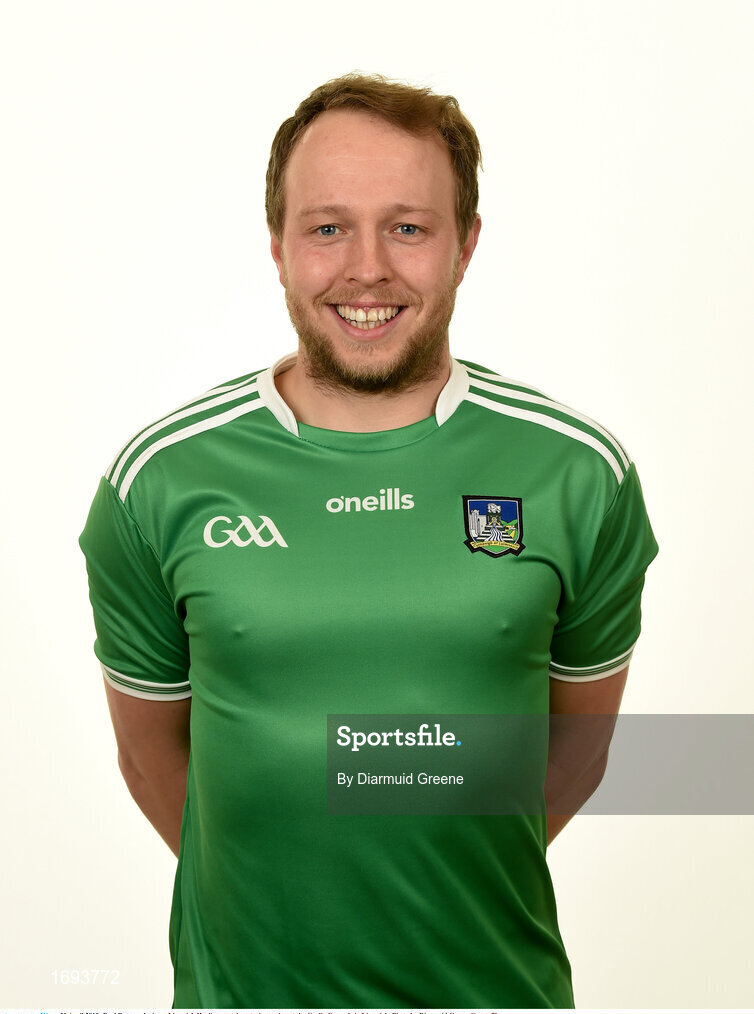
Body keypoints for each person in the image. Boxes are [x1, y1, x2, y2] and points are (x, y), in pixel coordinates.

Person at [80, 72, 658, 1008]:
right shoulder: (161, 480)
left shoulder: (577, 473)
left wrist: (443, 875)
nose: (367, 269)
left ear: (466, 245)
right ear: (278, 246)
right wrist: (283, 902)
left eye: (409, 227)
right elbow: (154, 758)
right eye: (327, 227)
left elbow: (577, 753)